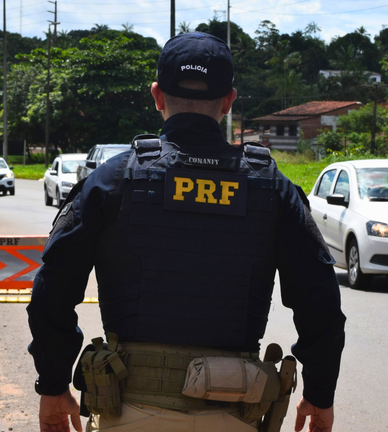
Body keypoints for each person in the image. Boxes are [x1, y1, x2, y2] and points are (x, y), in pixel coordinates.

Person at [27, 32, 346, 432]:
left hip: (128, 411)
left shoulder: (114, 179)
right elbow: (321, 305)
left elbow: (52, 293)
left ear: (157, 96)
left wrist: (53, 386)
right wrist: (320, 394)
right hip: (235, 411)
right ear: (229, 101)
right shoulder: (271, 187)